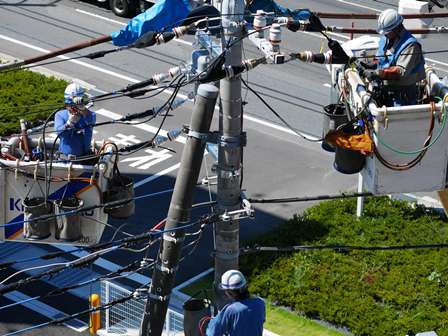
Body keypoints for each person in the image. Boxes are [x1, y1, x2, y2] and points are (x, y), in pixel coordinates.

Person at [358, 8, 426, 106]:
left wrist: (376, 73)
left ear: (397, 28)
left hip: (402, 96)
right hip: (385, 90)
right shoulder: (387, 38)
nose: (385, 34)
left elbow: (400, 72)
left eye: (387, 32)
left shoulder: (410, 45)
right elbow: (380, 59)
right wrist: (370, 65)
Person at [206, 270, 266, 336]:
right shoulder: (260, 303)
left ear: (230, 292)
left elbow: (212, 333)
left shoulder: (231, 310)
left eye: (225, 291)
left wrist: (213, 322)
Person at [54, 83, 96, 160]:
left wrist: (83, 110)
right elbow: (59, 133)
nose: (73, 108)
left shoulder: (89, 115)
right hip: (64, 159)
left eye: (76, 105)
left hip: (84, 159)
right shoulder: (60, 115)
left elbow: (90, 122)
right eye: (70, 105)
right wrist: (69, 123)